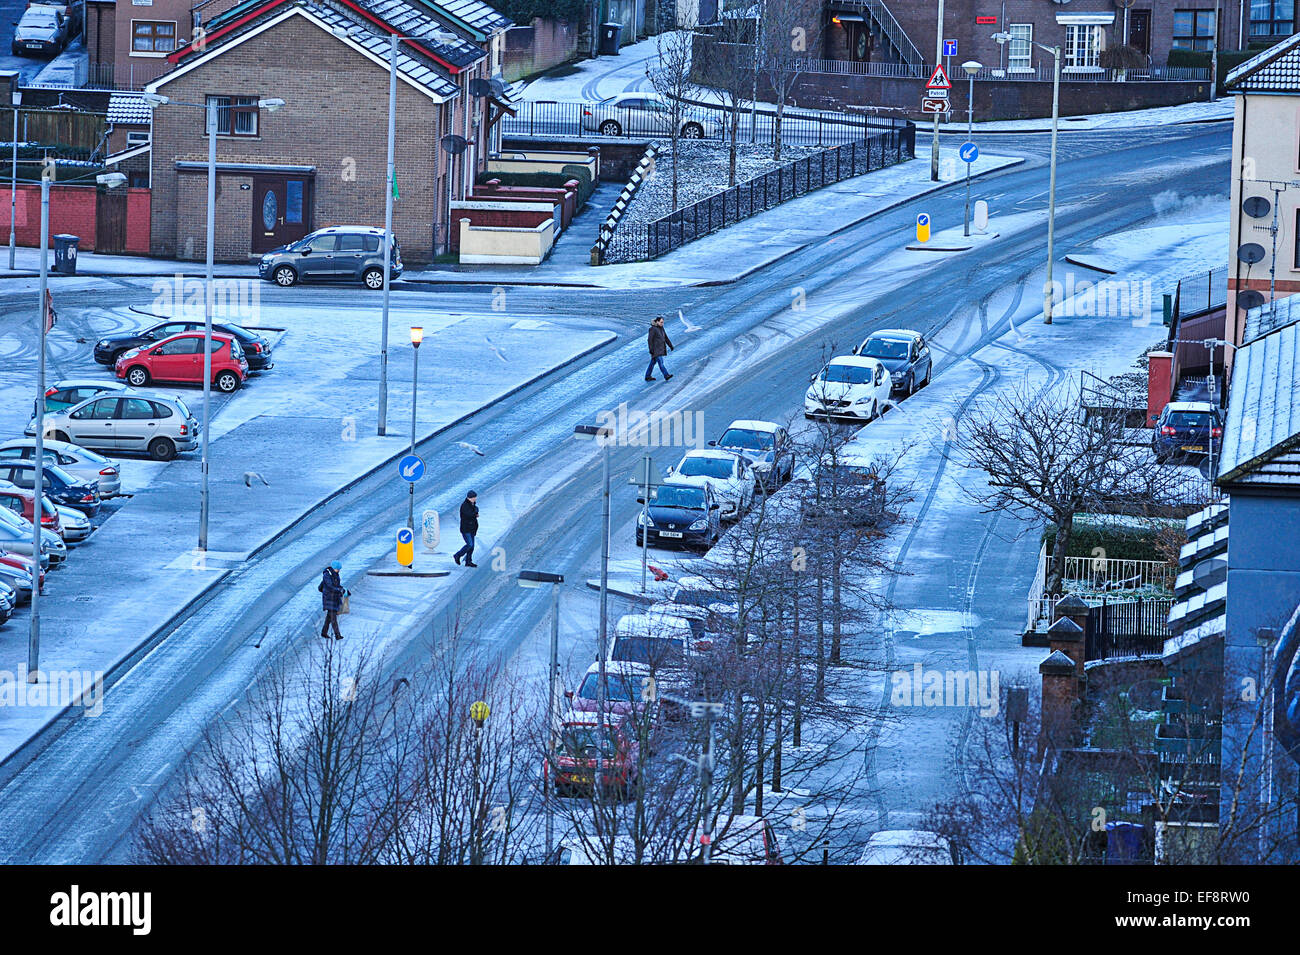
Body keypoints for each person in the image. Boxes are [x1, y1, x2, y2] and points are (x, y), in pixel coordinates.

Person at [318, 560, 346, 640]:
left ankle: (324, 632)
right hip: (329, 598)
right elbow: (330, 586)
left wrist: (342, 589)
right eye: (338, 569)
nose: (339, 570)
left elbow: (336, 585)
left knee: (329, 617)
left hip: (333, 597)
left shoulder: (335, 574)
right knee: (333, 618)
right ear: (334, 568)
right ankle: (337, 635)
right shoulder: (327, 575)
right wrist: (339, 590)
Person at [453, 490, 479, 567]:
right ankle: (457, 555)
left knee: (472, 546)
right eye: (474, 497)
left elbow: (475, 511)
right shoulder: (465, 506)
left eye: (475, 497)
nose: (475, 498)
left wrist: (475, 512)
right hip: (466, 529)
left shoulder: (472, 504)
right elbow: (469, 515)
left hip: (472, 528)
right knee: (470, 544)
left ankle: (468, 561)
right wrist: (475, 514)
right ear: (469, 498)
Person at [646, 315, 674, 382]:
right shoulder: (653, 329)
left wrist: (670, 345)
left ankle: (647, 376)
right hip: (655, 350)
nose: (662, 324)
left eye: (663, 322)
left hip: (660, 349)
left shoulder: (661, 328)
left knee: (652, 363)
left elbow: (666, 338)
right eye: (661, 322)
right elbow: (649, 340)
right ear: (657, 322)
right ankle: (666, 375)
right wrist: (651, 349)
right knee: (661, 363)